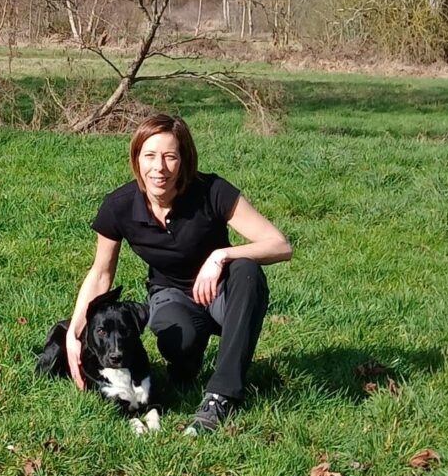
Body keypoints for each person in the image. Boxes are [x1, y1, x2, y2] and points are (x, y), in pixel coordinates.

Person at [66, 114, 292, 435]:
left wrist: (222, 255)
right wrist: (74, 333)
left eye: (170, 156)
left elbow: (280, 244)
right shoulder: (118, 206)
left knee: (247, 270)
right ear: (136, 159)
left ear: (184, 160)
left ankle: (221, 396)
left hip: (220, 293)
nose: (159, 167)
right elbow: (101, 274)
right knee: (178, 340)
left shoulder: (212, 191)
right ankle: (186, 367)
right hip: (170, 295)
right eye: (150, 156)